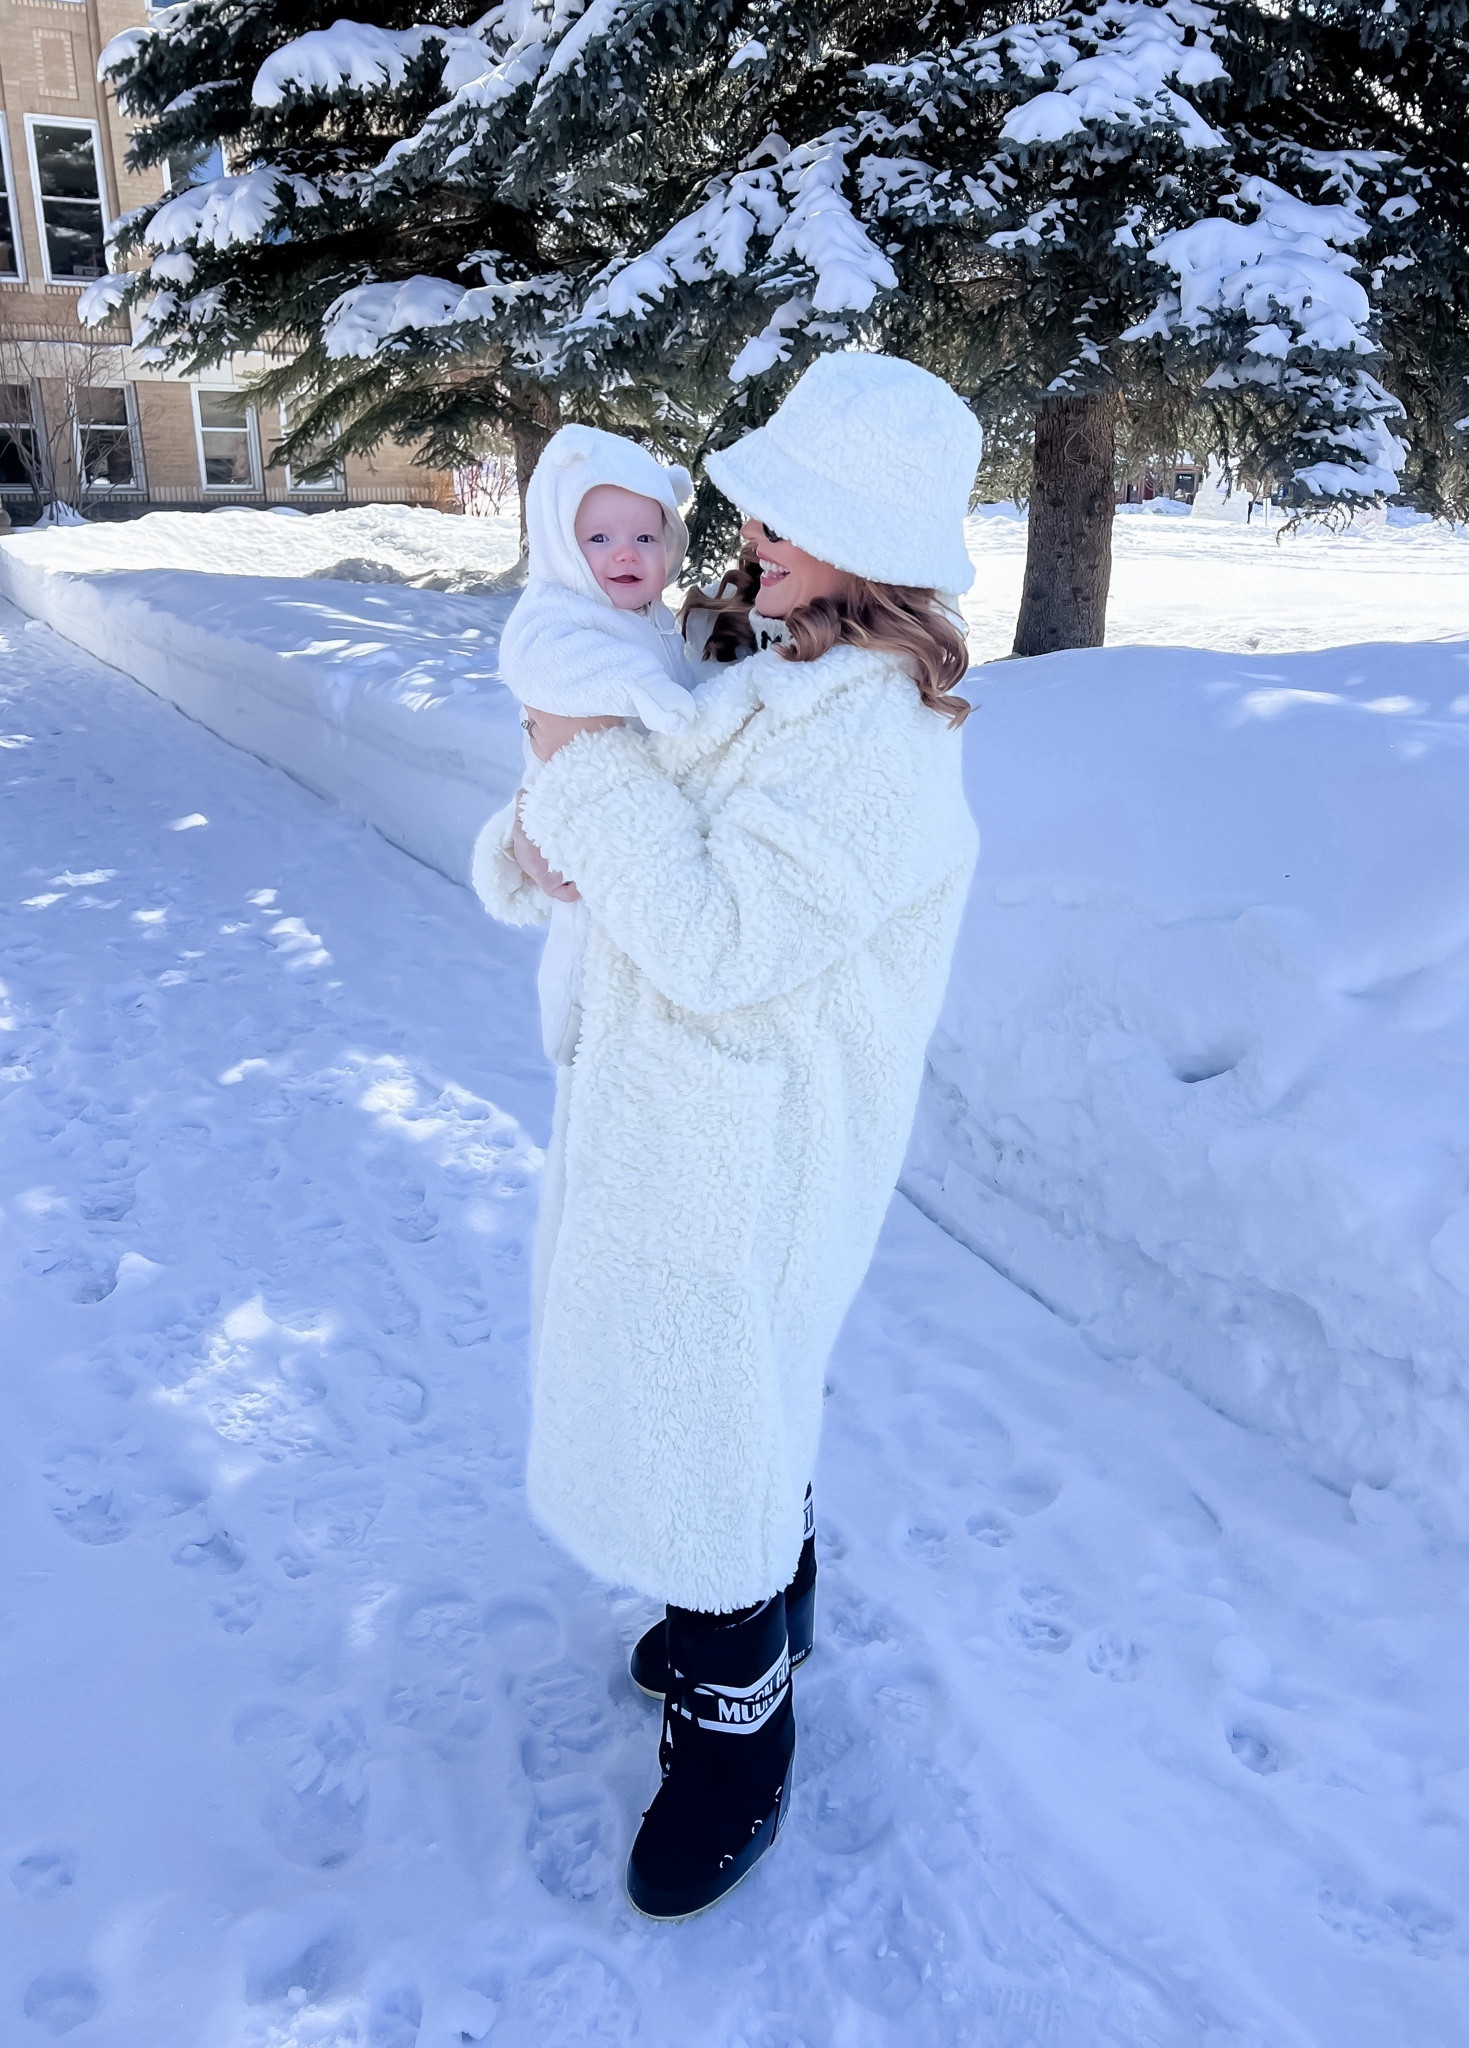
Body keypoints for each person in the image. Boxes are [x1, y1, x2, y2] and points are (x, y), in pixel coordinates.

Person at [473, 352, 982, 1919]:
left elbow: (710, 934)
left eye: (789, 511)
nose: (747, 527)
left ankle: (735, 1743)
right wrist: (545, 829)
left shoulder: (877, 740)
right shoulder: (775, 667)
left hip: (751, 1145)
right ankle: (772, 1595)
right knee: (730, 1395)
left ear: (870, 540)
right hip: (682, 1118)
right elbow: (648, 822)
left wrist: (578, 769)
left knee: (716, 1426)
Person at [472, 424, 698, 1067]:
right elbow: (541, 668)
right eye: (598, 538)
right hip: (574, 821)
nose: (624, 553)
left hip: (633, 822)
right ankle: (569, 1041)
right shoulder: (552, 612)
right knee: (581, 939)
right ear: (559, 545)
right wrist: (638, 686)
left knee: (618, 946)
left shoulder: (649, 617)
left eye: (645, 537)